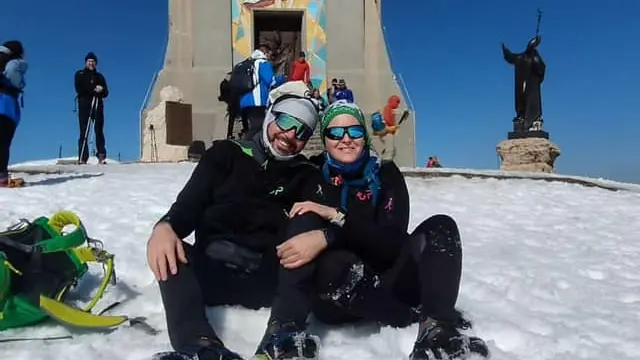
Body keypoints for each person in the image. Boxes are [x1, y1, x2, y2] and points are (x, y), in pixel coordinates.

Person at [254, 101, 490, 360]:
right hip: (339, 291)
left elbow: (392, 242)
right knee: (322, 246)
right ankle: (283, 329)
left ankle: (439, 329)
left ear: (364, 136)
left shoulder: (385, 174)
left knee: (441, 226)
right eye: (335, 133)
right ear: (325, 140)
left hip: (390, 275)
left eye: (354, 132)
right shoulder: (311, 176)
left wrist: (333, 225)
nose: (346, 140)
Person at [147, 88, 331, 360]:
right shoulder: (225, 154)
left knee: (307, 219)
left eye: (302, 132)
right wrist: (164, 227)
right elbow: (188, 206)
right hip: (212, 271)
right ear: (270, 117)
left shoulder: (304, 175)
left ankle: (283, 333)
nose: (290, 135)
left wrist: (323, 235)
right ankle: (200, 345)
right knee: (170, 249)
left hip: (267, 276)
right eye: (286, 122)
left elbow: (335, 217)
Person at [239, 44, 283, 140]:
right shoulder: (262, 63)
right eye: (270, 55)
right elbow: (271, 81)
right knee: (258, 126)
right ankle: (243, 148)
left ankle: (250, 146)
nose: (270, 57)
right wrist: (282, 79)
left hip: (244, 101)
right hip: (257, 101)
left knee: (255, 127)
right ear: (265, 53)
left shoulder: (249, 63)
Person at [0, 40, 27, 187]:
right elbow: (13, 76)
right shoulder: (13, 63)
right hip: (4, 104)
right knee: (3, 142)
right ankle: (1, 178)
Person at [74, 52, 109, 164]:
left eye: (93, 61)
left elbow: (106, 93)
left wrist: (101, 90)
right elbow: (79, 89)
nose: (91, 63)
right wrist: (93, 89)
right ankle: (83, 157)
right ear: (86, 62)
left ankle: (101, 155)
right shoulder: (80, 74)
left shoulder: (100, 77)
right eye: (89, 61)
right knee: (84, 130)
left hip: (97, 104)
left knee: (99, 130)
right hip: (84, 105)